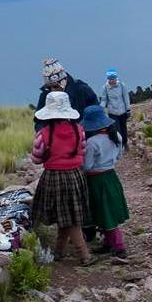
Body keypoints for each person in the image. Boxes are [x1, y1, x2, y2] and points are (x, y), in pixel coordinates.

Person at [30, 92, 95, 266]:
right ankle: (59, 250)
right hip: (74, 175)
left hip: (54, 177)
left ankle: (84, 254)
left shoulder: (43, 134)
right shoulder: (79, 130)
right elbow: (82, 151)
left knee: (68, 218)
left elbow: (36, 158)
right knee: (69, 215)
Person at [81, 105, 130, 258]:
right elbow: (119, 157)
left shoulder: (92, 142)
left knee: (103, 211)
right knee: (109, 210)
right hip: (111, 176)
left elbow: (87, 166)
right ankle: (108, 243)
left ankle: (118, 245)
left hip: (96, 180)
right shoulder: (117, 136)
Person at [35, 58, 98, 131]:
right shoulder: (45, 94)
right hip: (54, 138)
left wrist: (83, 130)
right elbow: (39, 122)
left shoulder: (82, 89)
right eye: (49, 87)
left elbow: (96, 113)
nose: (52, 90)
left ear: (63, 81)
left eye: (55, 86)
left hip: (82, 136)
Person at [99, 68, 131, 152]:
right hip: (112, 112)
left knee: (123, 128)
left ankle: (125, 143)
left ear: (116, 78)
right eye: (109, 79)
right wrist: (101, 108)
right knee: (117, 129)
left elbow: (126, 97)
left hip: (122, 111)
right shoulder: (105, 87)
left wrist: (128, 109)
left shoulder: (122, 85)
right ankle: (119, 146)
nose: (111, 81)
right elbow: (104, 99)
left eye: (113, 79)